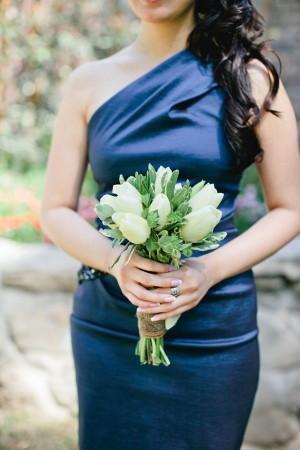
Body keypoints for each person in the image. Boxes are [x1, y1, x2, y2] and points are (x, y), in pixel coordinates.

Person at [40, 1, 300, 449]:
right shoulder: (87, 82)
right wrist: (117, 261)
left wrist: (207, 272)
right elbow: (55, 209)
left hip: (214, 327)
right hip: (110, 323)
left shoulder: (251, 78)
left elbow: (290, 208)